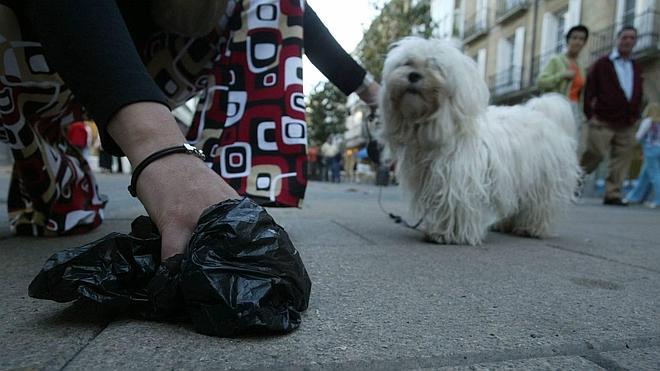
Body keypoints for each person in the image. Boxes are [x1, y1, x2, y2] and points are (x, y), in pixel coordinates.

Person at [0, 1, 380, 259]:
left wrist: (373, 92)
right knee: (58, 213)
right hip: (32, 59)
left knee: (271, 2)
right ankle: (45, 151)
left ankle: (233, 184)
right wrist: (157, 148)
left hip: (155, 54)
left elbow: (300, 20)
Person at [580, 26, 643, 206]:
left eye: (632, 38)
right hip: (602, 120)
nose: (628, 41)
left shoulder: (636, 66)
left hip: (627, 121)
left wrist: (636, 113)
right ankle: (572, 183)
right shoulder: (602, 64)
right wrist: (589, 114)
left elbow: (637, 91)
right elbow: (589, 90)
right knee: (595, 153)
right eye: (625, 37)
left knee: (621, 158)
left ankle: (613, 193)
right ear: (618, 39)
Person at [537, 25, 589, 149]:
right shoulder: (556, 60)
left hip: (574, 109)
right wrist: (561, 75)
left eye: (582, 39)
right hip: (556, 109)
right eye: (574, 38)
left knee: (571, 145)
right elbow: (541, 81)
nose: (578, 41)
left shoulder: (581, 67)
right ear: (567, 40)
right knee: (553, 144)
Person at [623, 102, 660, 208]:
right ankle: (635, 197)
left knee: (655, 175)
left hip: (650, 149)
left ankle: (659, 200)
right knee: (645, 175)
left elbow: (639, 136)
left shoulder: (648, 121)